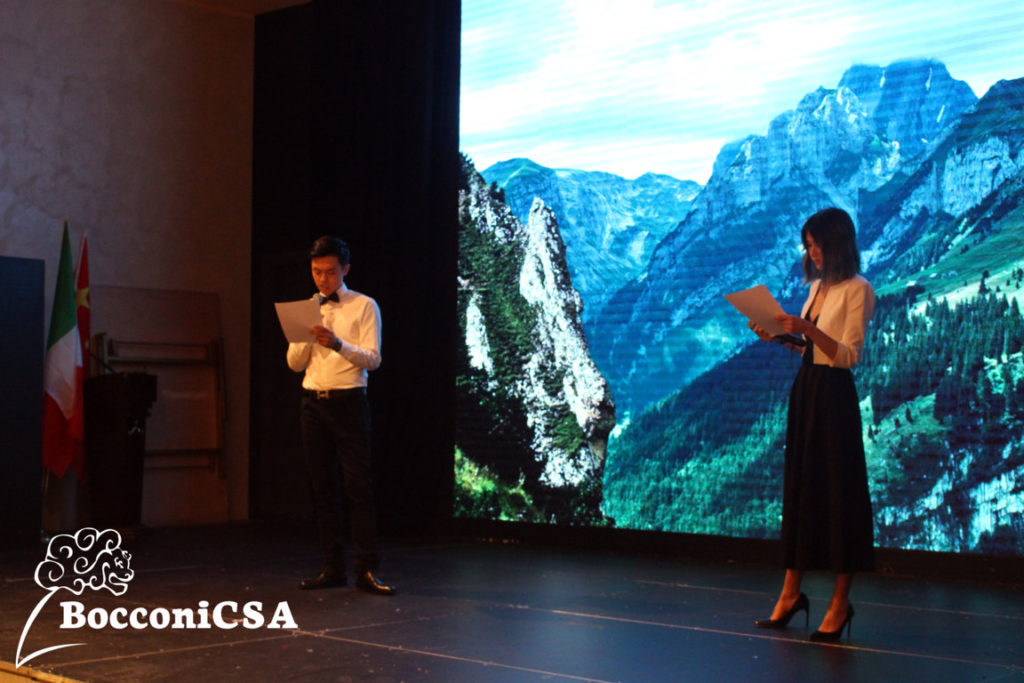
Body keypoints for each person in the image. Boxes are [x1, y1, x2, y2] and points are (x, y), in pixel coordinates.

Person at [748, 207, 874, 642]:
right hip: (808, 390)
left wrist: (805, 328)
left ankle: (840, 603)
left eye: (817, 244)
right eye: (807, 245)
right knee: (801, 490)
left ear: (837, 243)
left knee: (839, 494)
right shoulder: (817, 287)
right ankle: (790, 593)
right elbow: (812, 351)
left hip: (835, 397)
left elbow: (847, 355)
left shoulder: (859, 289)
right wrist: (781, 336)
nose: (811, 252)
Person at [287, 235, 395, 596]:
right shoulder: (306, 307)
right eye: (317, 272)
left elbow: (373, 359)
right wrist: (305, 336)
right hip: (312, 403)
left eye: (330, 272)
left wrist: (336, 343)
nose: (323, 279)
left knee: (357, 487)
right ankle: (332, 567)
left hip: (348, 402)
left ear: (345, 270)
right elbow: (294, 364)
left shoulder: (364, 305)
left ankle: (366, 569)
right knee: (322, 488)